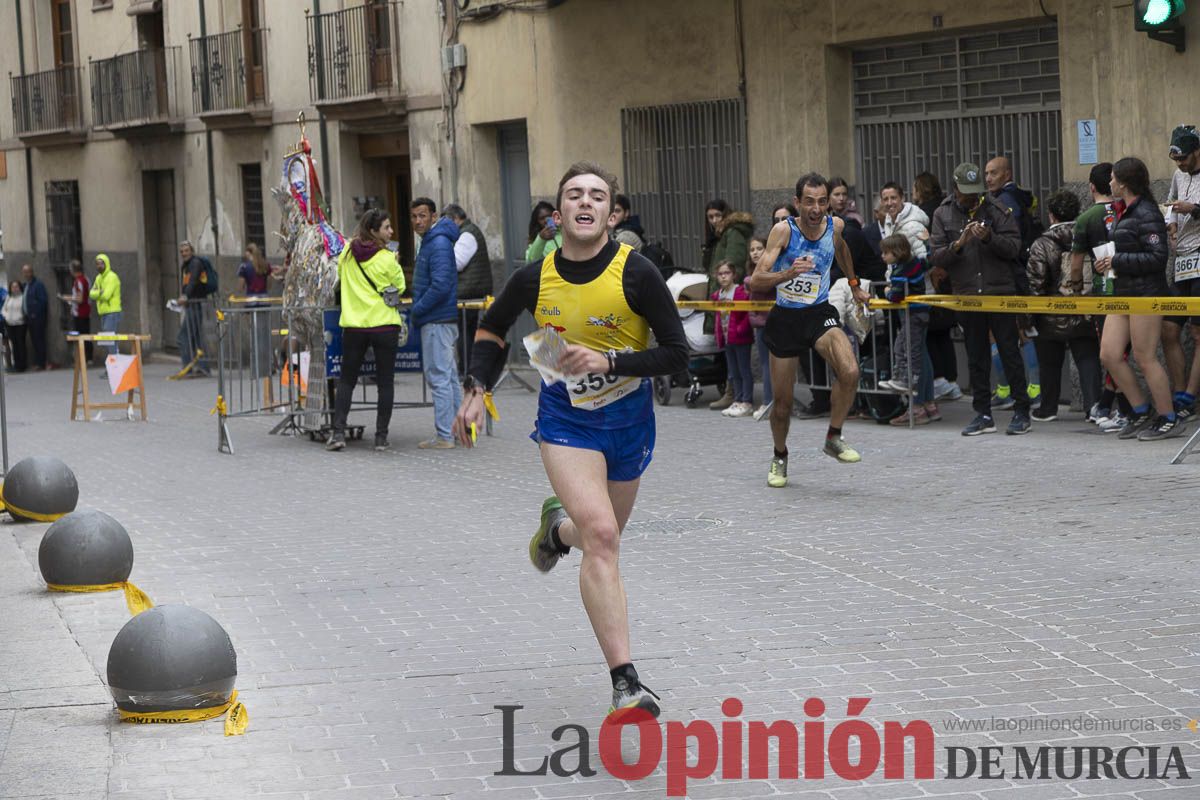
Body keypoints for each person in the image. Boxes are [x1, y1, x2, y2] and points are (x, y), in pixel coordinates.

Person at [451, 162, 688, 718]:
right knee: (603, 536)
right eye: (575, 195)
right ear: (559, 215)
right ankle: (626, 683)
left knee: (592, 538)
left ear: (612, 212)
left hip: (629, 423)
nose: (586, 203)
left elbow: (678, 352)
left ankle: (556, 531)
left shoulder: (638, 272)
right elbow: (493, 327)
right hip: (565, 419)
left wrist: (610, 360)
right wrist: (475, 388)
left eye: (598, 196)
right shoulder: (534, 276)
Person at [749, 172, 871, 488]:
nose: (816, 209)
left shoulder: (836, 226)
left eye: (821, 201)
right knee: (784, 405)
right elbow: (757, 282)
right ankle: (779, 455)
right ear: (797, 202)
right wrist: (788, 272)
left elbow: (841, 251)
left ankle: (834, 436)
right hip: (786, 318)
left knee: (850, 371)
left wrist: (854, 284)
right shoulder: (782, 232)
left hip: (818, 313)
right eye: (809, 202)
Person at [929, 162, 1030, 436]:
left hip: (1000, 293)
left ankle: (1022, 411)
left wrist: (989, 238)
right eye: (966, 192)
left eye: (976, 191)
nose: (972, 197)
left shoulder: (997, 209)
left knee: (1010, 352)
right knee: (976, 357)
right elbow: (936, 256)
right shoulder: (942, 213)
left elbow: (1014, 248)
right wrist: (958, 245)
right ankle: (983, 413)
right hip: (967, 295)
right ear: (955, 188)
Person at [1097, 157, 1182, 441]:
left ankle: (1168, 418)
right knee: (1109, 353)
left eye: (1112, 178)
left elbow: (1158, 258)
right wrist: (1108, 263)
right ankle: (1141, 410)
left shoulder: (1146, 212)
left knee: (1145, 358)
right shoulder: (1124, 211)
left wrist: (1117, 260)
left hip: (1146, 295)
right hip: (1123, 293)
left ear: (1122, 183)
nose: (1109, 183)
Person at [326, 209, 407, 452]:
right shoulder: (387, 258)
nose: (391, 231)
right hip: (384, 325)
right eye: (386, 228)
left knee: (347, 380)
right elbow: (399, 287)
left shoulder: (347, 254)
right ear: (374, 231)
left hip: (354, 326)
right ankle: (381, 438)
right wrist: (396, 263)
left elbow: (339, 279)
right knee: (385, 382)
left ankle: (338, 432)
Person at [1024, 189, 1101, 423]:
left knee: (1049, 363)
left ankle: (1047, 408)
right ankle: (1094, 407)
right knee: (1088, 359)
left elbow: (1036, 283)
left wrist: (1030, 318)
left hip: (1050, 315)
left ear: (1051, 215)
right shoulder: (1088, 235)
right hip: (1084, 308)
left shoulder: (1041, 244)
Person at [1070, 162, 1126, 428]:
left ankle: (1115, 407)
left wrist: (1077, 289)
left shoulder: (1085, 219)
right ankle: (1110, 406)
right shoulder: (1124, 210)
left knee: (1112, 354)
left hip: (1106, 292)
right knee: (1121, 354)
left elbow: (1076, 263)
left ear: (1091, 187)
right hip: (1131, 289)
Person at [410, 198, 462, 449]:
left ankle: (445, 436)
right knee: (449, 376)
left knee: (440, 376)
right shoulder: (433, 241)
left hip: (436, 319)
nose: (418, 221)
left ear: (433, 217)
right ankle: (459, 432)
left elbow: (440, 284)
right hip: (441, 318)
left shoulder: (438, 243)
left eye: (422, 216)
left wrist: (418, 309)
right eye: (414, 216)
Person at [878, 234, 938, 425]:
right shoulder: (915, 263)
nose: (883, 256)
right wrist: (928, 244)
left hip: (913, 315)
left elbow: (895, 296)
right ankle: (925, 403)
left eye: (886, 253)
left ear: (897, 252)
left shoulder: (900, 271)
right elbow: (930, 261)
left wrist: (886, 292)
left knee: (908, 350)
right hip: (919, 314)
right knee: (906, 347)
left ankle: (906, 381)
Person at [1164, 125, 1200, 420]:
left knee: (1198, 331)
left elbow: (1187, 206)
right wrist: (1172, 226)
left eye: (1185, 158)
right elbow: (1170, 204)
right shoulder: (1178, 176)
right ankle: (1177, 391)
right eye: (1177, 159)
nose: (1181, 164)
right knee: (1169, 328)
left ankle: (1189, 394)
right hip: (1182, 256)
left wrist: (1194, 209)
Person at [442, 204, 494, 370]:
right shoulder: (468, 232)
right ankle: (468, 367)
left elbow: (456, 263)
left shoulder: (467, 235)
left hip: (468, 291)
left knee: (464, 332)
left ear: (455, 220)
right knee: (467, 331)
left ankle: (465, 368)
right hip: (471, 289)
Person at [711, 261, 753, 417]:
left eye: (727, 273)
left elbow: (747, 313)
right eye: (720, 274)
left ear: (733, 275)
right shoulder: (718, 295)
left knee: (744, 370)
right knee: (733, 371)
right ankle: (737, 399)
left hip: (741, 338)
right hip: (727, 338)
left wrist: (741, 329)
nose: (723, 276)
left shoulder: (740, 292)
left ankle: (747, 401)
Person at [745, 235, 773, 420]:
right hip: (759, 322)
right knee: (766, 362)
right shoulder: (753, 271)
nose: (755, 252)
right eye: (752, 249)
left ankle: (769, 401)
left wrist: (748, 281)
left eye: (759, 248)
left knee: (769, 363)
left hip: (772, 321)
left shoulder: (768, 270)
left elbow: (754, 283)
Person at [177, 242, 213, 376]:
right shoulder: (186, 266)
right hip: (192, 303)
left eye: (186, 250)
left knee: (183, 337)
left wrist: (186, 296)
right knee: (197, 337)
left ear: (191, 251)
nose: (184, 253)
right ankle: (204, 368)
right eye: (182, 251)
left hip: (196, 304)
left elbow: (192, 282)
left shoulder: (195, 264)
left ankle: (188, 368)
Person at [880, 182, 930, 259]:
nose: (889, 203)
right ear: (882, 202)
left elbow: (923, 260)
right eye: (886, 199)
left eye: (893, 198)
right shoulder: (888, 220)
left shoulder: (914, 226)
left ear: (902, 198)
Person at [88, 254, 122, 365]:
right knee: (109, 340)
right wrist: (99, 293)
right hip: (103, 312)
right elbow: (91, 294)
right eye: (97, 264)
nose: (99, 266)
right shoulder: (98, 278)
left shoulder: (112, 277)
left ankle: (113, 366)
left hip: (112, 312)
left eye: (101, 263)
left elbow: (107, 295)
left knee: (110, 340)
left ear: (106, 263)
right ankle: (114, 366)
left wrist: (98, 293)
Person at [60, 259, 92, 362]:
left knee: (81, 336)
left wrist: (66, 298)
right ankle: (87, 357)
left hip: (80, 313)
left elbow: (80, 299)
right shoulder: (86, 279)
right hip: (85, 311)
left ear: (72, 270)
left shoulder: (79, 281)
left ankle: (85, 358)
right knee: (86, 335)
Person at [20, 264, 49, 371]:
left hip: (37, 318)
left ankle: (41, 363)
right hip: (28, 318)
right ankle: (37, 362)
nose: (26, 274)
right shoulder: (25, 285)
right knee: (34, 341)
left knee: (39, 340)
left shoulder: (38, 285)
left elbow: (42, 301)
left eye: (28, 272)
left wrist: (35, 313)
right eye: (24, 272)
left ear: (32, 272)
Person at [701, 199, 731, 276]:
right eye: (710, 217)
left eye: (718, 215)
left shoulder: (731, 233)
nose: (714, 220)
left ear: (725, 214)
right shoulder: (712, 235)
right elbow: (707, 266)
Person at [3, 281, 27, 372]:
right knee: (14, 344)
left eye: (16, 286)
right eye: (13, 287)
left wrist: (21, 316)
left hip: (20, 323)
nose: (14, 288)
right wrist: (6, 316)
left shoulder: (22, 297)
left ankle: (22, 365)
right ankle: (16, 364)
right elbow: (4, 309)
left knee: (21, 343)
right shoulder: (9, 297)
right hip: (10, 324)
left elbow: (24, 309)